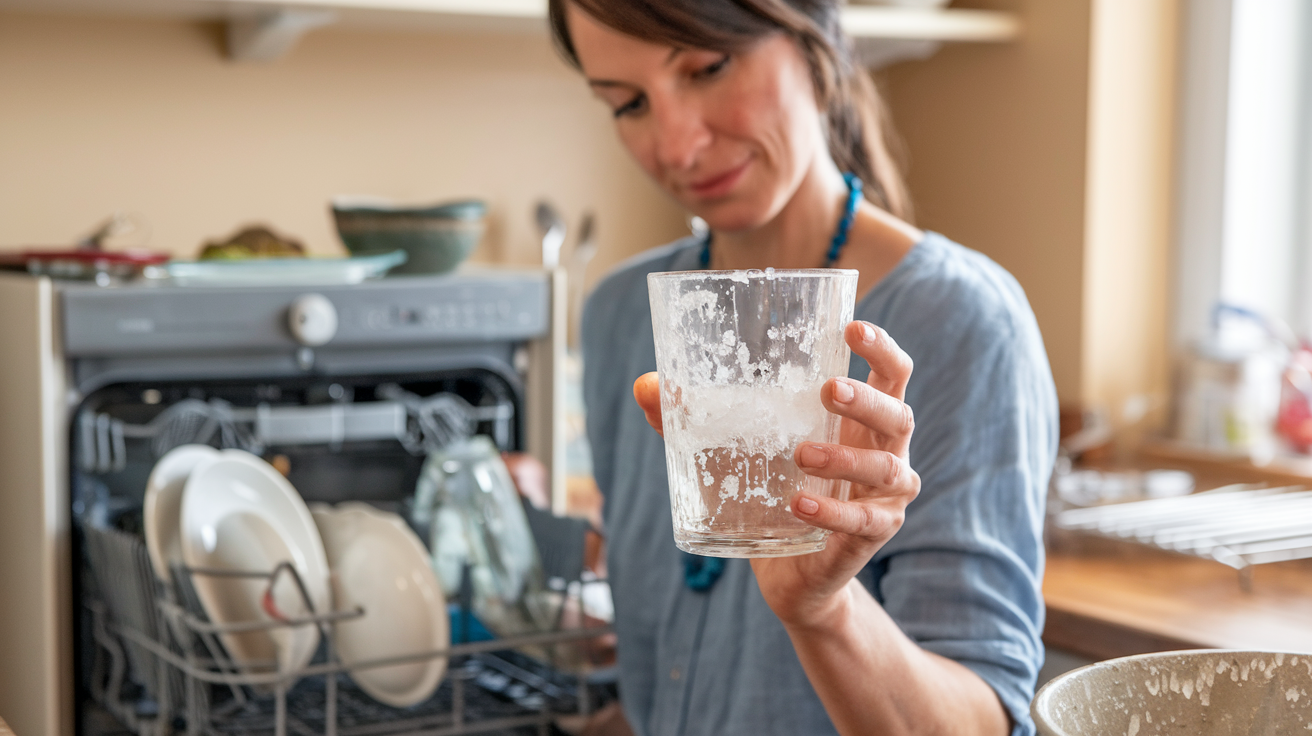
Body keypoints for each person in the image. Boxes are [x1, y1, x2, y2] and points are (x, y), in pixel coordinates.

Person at [546, 1, 1059, 734]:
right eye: (628, 104)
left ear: (815, 46)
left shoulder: (964, 324)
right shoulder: (621, 316)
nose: (678, 144)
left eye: (707, 67)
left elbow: (982, 720)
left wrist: (824, 611)